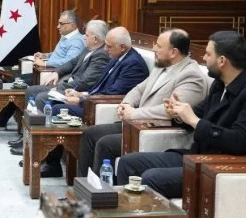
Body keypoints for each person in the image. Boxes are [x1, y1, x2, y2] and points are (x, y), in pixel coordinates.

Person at [116, 31, 246, 199]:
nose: (204, 58)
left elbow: (239, 141)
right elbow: (195, 114)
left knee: (151, 178)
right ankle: (124, 213)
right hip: (199, 157)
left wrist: (194, 120)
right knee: (128, 163)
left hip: (223, 167)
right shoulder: (220, 84)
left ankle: (147, 216)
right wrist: (177, 113)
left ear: (222, 61)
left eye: (208, 54)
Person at [77, 29, 208, 177]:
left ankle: (102, 190)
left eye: (159, 46)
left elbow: (172, 110)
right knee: (90, 134)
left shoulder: (191, 75)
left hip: (157, 131)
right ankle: (84, 185)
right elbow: (138, 89)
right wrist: (127, 104)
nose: (154, 49)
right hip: (137, 124)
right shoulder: (161, 65)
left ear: (173, 52)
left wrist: (134, 113)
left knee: (105, 144)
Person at [28, 26, 149, 177]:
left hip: (102, 108)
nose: (105, 49)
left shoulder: (133, 64)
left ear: (123, 47)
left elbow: (113, 94)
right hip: (93, 101)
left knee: (57, 109)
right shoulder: (117, 57)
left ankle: (55, 165)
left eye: (109, 46)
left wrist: (81, 100)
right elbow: (100, 86)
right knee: (52, 103)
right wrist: (81, 93)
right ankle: (52, 161)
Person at [0, 20, 109, 143]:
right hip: (67, 85)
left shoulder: (101, 55)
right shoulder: (87, 49)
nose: (84, 37)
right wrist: (57, 72)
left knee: (41, 97)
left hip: (75, 91)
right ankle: (26, 136)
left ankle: (36, 141)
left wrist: (61, 87)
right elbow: (71, 63)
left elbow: (85, 82)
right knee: (31, 91)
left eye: (86, 35)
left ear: (95, 39)